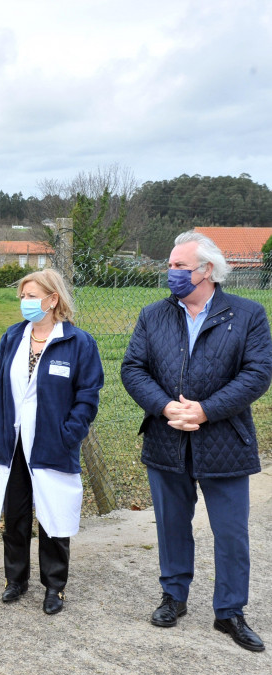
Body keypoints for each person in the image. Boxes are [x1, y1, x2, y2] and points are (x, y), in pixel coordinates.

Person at [121, 231, 272, 652]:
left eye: (179, 267)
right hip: (167, 440)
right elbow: (133, 368)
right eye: (170, 266)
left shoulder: (248, 315)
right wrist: (167, 407)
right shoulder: (153, 316)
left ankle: (230, 612)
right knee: (171, 526)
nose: (171, 273)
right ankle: (174, 597)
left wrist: (205, 410)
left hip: (226, 441)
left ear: (207, 271)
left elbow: (257, 374)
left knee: (230, 533)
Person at [0, 268, 102, 615]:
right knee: (15, 514)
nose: (25, 303)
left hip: (53, 444)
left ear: (53, 299)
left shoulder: (78, 343)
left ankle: (54, 587)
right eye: (22, 297)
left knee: (53, 516)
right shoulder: (12, 337)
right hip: (15, 443)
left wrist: (71, 432)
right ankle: (15, 581)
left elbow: (88, 395)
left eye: (32, 296)